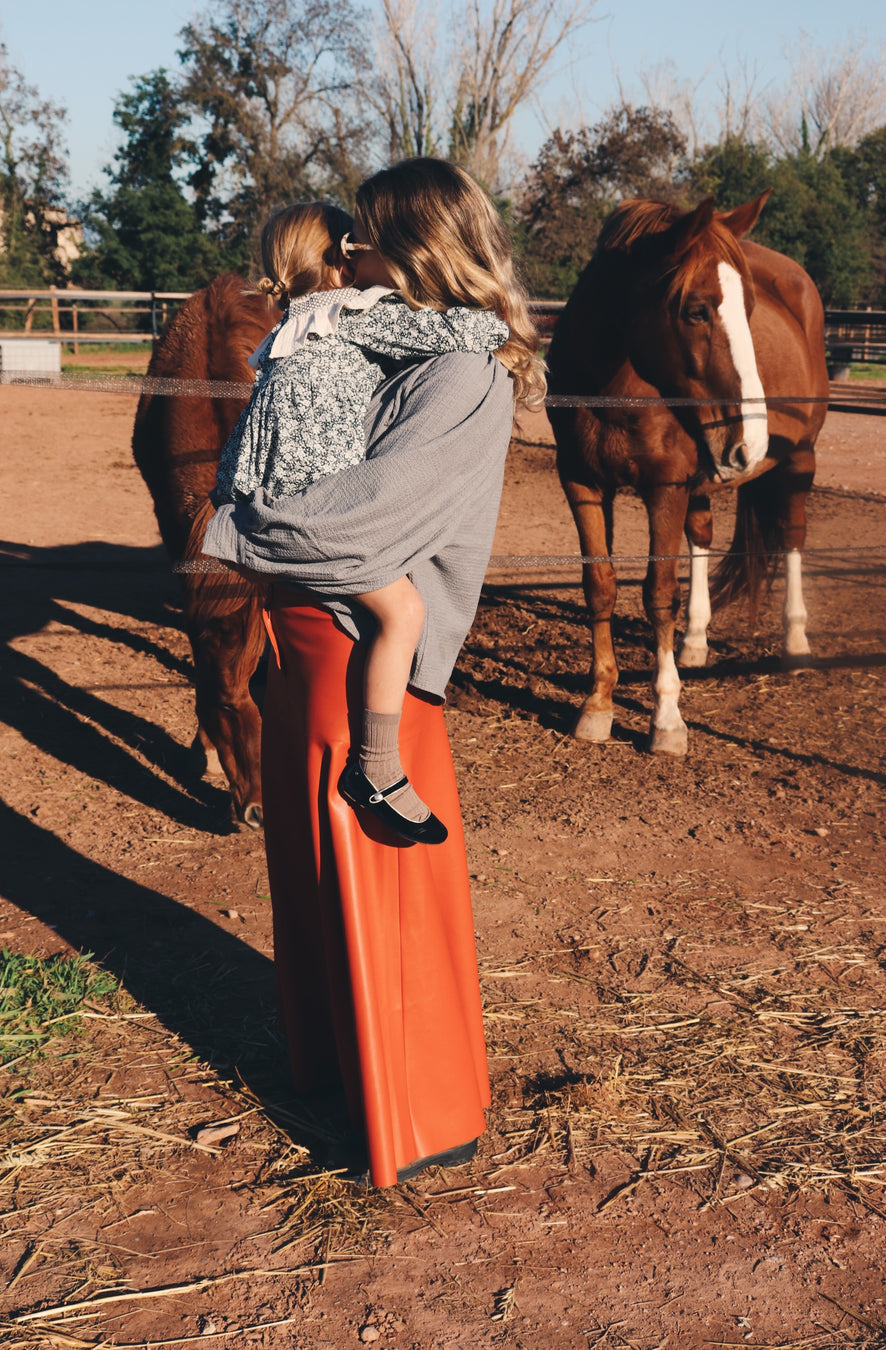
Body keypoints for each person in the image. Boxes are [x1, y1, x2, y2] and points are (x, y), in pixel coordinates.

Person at [203, 157, 545, 1187]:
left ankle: (418, 1115)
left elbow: (371, 522)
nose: (350, 252)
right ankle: (341, 1079)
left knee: (378, 885)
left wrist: (246, 526)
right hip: (317, 655)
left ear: (418, 245)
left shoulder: (460, 374)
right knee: (317, 881)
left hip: (364, 663)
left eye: (367, 237)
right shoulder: (382, 342)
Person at [214, 201, 509, 842]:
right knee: (403, 614)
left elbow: (254, 430)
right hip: (317, 492)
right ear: (342, 260)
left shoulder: (292, 324)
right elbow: (448, 335)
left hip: (271, 481)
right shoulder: (350, 315)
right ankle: (375, 769)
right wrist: (496, 329)